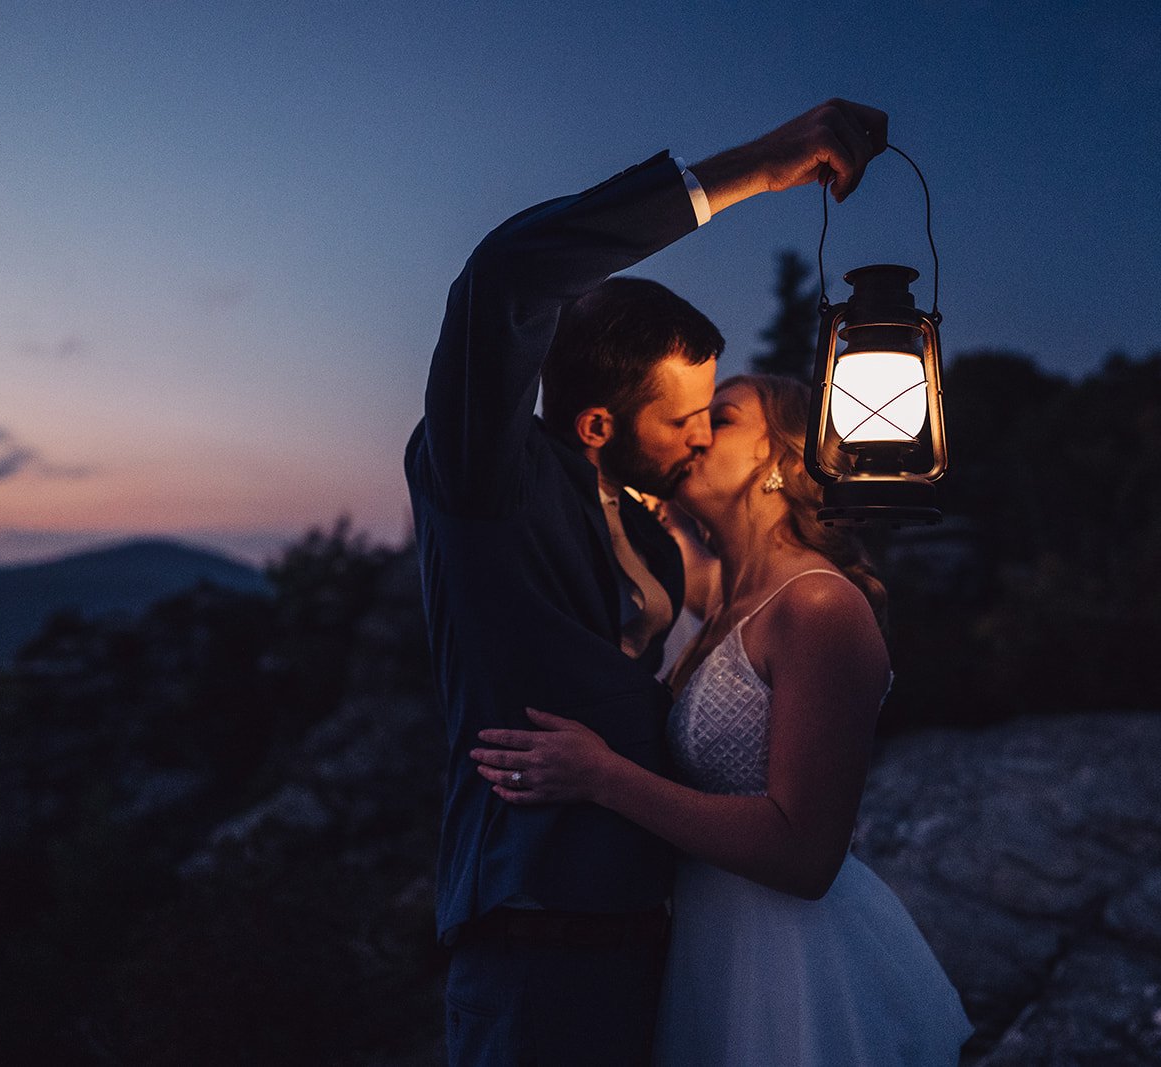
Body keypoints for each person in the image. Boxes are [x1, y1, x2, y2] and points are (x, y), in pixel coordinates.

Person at [406, 100, 890, 1066]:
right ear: (595, 425)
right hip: (531, 922)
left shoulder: (661, 542)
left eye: (720, 415)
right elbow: (502, 279)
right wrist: (757, 167)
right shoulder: (488, 479)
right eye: (687, 419)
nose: (704, 435)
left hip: (662, 934)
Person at [471, 375, 975, 1065]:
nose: (697, 431)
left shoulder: (819, 606)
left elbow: (805, 855)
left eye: (723, 418)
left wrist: (601, 776)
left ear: (783, 461)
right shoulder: (721, 597)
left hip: (786, 961)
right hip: (703, 940)